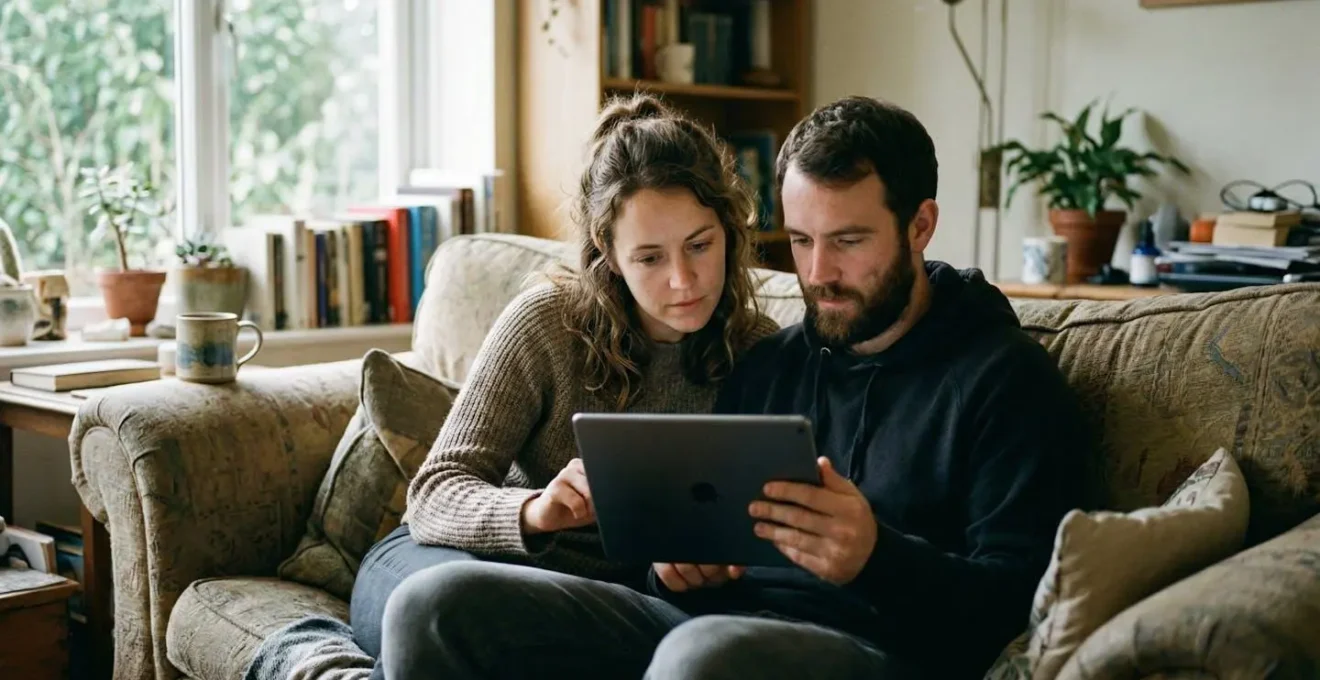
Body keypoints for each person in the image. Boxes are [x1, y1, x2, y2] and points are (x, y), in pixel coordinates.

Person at [378, 96, 1088, 679]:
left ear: (920, 226)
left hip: (874, 647)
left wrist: (878, 558)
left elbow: (1021, 601)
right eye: (803, 241)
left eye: (848, 240)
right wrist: (679, 570)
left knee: (701, 656)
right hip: (707, 623)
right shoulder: (769, 362)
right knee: (432, 604)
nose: (818, 273)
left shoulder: (1005, 380)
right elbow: (699, 556)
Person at [349, 92, 778, 673]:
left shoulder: (760, 351)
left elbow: (760, 542)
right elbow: (433, 492)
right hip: (459, 559)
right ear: (609, 253)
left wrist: (699, 569)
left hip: (612, 604)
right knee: (430, 607)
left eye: (700, 245)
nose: (683, 279)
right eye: (650, 258)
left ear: (729, 227)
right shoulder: (548, 322)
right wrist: (534, 510)